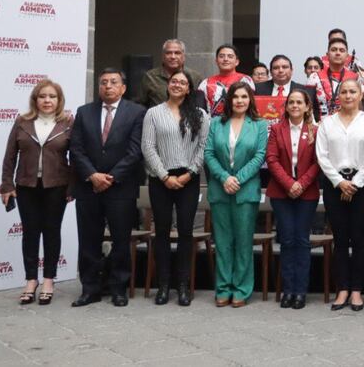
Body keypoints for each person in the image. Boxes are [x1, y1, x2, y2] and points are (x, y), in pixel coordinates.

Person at [70, 68, 146, 307]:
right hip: (88, 187)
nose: (108, 86)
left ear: (123, 87)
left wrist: (110, 177)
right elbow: (76, 149)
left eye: (113, 82)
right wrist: (93, 175)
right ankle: (89, 288)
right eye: (103, 82)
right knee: (88, 239)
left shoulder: (137, 112)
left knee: (121, 240)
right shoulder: (84, 112)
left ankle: (118, 288)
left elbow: (135, 152)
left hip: (120, 188)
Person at [0, 79, 73, 305]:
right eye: (42, 96)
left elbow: (77, 157)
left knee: (52, 232)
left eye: (52, 96)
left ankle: (49, 279)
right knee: (30, 233)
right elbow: (10, 155)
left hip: (57, 186)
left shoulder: (68, 123)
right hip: (26, 186)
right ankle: (31, 280)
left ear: (59, 101)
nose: (47, 100)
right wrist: (7, 185)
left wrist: (72, 187)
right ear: (35, 100)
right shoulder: (22, 122)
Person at [141, 70, 209, 306]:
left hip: (188, 179)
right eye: (174, 81)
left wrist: (190, 173)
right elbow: (148, 147)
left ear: (189, 88)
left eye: (183, 82)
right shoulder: (153, 113)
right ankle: (163, 286)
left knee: (185, 233)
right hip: (161, 180)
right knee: (161, 232)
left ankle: (183, 286)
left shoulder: (200, 114)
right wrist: (164, 176)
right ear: (167, 85)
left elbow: (203, 147)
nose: (177, 85)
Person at [204, 82, 268, 308]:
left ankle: (241, 288)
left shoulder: (260, 125)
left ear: (250, 100)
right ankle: (223, 288)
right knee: (222, 242)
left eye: (244, 96)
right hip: (220, 190)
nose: (240, 101)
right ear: (228, 100)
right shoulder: (216, 123)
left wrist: (238, 179)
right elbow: (209, 153)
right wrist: (224, 178)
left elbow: (260, 156)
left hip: (246, 190)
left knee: (242, 242)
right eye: (235, 97)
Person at [316, 78, 364, 312]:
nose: (348, 96)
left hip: (362, 187)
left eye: (353, 92)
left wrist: (356, 182)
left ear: (361, 95)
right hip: (335, 186)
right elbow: (322, 156)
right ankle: (342, 289)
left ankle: (357, 291)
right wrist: (340, 182)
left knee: (359, 239)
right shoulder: (327, 123)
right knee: (340, 239)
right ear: (338, 96)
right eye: (344, 92)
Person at [266, 89, 320, 310]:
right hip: (281, 193)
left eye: (300, 102)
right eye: (291, 102)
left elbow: (319, 162)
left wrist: (302, 183)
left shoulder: (315, 131)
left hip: (306, 194)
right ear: (286, 107)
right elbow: (271, 159)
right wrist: (289, 184)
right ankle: (287, 290)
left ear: (308, 107)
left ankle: (300, 292)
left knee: (302, 241)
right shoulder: (277, 129)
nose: (295, 105)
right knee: (287, 241)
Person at [136, 39, 204, 108]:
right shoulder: (150, 77)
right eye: (168, 53)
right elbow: (140, 105)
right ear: (163, 57)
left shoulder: (195, 77)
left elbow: (199, 103)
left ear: (183, 57)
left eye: (177, 53)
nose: (173, 57)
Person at [254, 55, 319, 119]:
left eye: (285, 67)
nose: (281, 71)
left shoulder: (305, 91)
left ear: (291, 70)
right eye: (276, 68)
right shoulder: (257, 89)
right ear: (270, 72)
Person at [198, 44, 254, 117]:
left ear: (237, 62)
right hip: (213, 125)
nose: (225, 59)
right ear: (216, 61)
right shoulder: (205, 83)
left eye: (230, 56)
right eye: (221, 56)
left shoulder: (245, 80)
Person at [310, 37, 359, 117]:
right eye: (334, 50)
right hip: (321, 126)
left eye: (341, 50)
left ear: (347, 56)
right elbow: (308, 105)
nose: (338, 53)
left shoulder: (356, 78)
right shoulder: (314, 77)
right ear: (327, 55)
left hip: (348, 125)